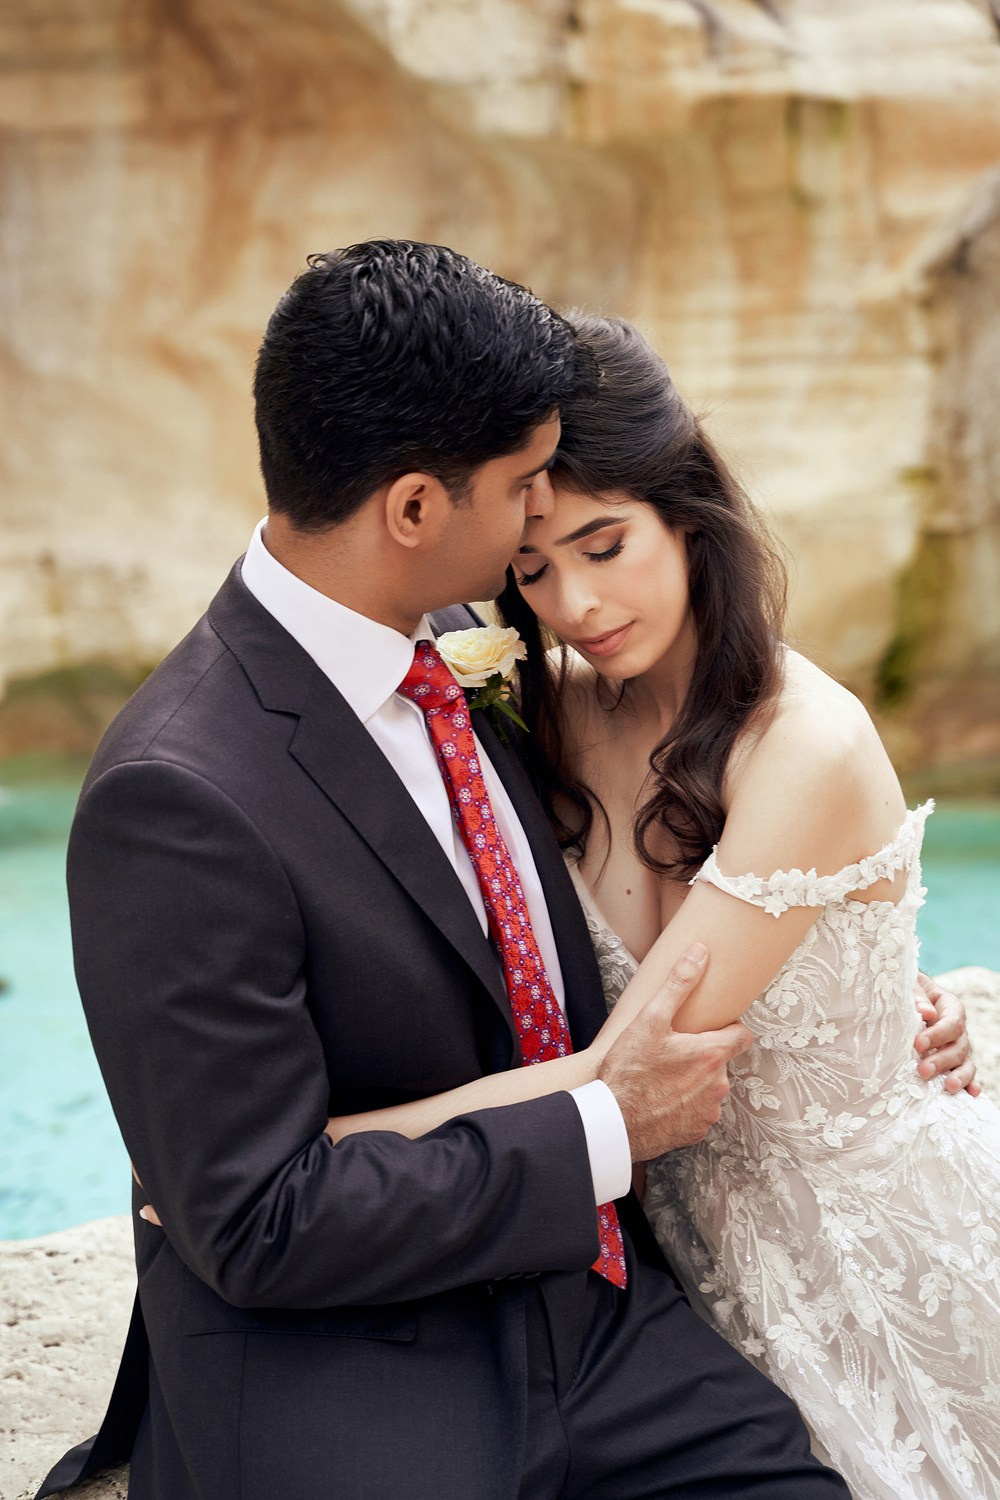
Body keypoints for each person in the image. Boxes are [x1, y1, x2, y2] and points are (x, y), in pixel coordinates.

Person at [37, 242, 865, 1500]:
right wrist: (599, 1123)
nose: (543, 525)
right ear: (416, 509)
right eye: (527, 489)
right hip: (353, 1356)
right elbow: (256, 1219)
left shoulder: (475, 648)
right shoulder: (177, 795)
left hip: (596, 1315)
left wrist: (850, 995)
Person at [319, 314, 996, 1500]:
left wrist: (322, 1158)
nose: (575, 602)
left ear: (689, 513)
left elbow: (637, 1059)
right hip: (665, 1258)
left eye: (605, 543)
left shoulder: (807, 740)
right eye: (534, 569)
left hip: (870, 1259)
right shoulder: (555, 710)